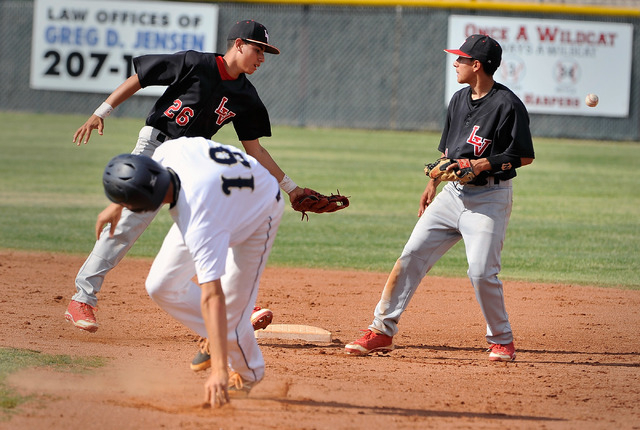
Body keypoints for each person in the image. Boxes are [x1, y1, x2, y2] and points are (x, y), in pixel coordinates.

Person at [65, 20, 303, 369]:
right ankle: (81, 299)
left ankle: (232, 306)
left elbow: (255, 150)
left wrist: (292, 188)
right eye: (258, 49)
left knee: (209, 222)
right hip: (156, 150)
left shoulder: (246, 95)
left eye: (265, 52)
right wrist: (102, 112)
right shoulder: (196, 62)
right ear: (238, 44)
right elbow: (142, 77)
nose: (262, 58)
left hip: (194, 163)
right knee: (129, 223)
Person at [345, 34, 535, 361]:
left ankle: (501, 340)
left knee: (480, 272)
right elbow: (448, 154)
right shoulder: (459, 100)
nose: (455, 63)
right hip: (451, 195)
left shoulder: (508, 104)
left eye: (461, 59)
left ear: (477, 65)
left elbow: (524, 156)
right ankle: (381, 331)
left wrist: (482, 163)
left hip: (489, 199)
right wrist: (433, 183)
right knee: (410, 257)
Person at [100, 136, 284, 406]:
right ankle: (219, 334)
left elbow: (213, 296)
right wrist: (117, 203)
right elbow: (143, 168)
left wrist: (220, 369)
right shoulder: (170, 152)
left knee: (231, 316)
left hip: (259, 211)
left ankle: (248, 373)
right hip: (221, 198)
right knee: (162, 285)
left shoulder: (200, 221)